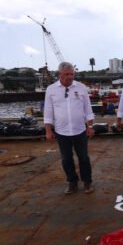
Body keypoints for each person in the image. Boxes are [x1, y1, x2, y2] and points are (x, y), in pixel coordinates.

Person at [44, 62, 95, 194]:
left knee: (83, 157)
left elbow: (88, 108)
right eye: (67, 74)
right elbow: (48, 111)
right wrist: (48, 130)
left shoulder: (81, 87)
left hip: (80, 130)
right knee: (66, 159)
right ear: (60, 74)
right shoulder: (51, 89)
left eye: (72, 74)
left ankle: (87, 182)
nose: (70, 76)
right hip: (61, 131)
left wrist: (90, 126)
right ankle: (72, 182)